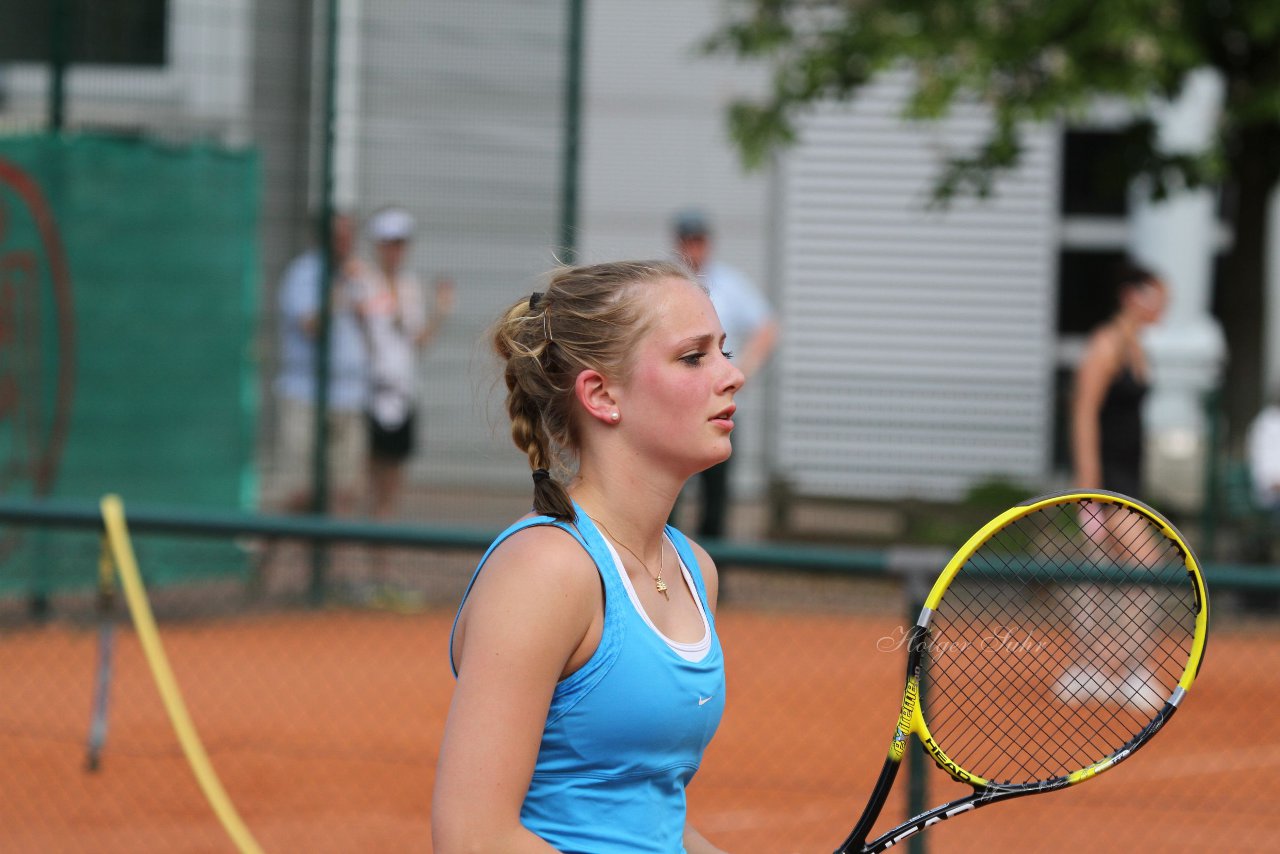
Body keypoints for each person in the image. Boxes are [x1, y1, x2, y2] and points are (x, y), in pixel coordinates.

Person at [432, 260, 739, 853]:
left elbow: (650, 822)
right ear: (601, 395)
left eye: (724, 351)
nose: (733, 375)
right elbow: (473, 839)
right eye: (694, 357)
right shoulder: (545, 571)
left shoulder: (695, 570)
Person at [1057, 260, 1169, 710]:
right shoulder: (1106, 344)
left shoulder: (1138, 347)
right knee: (1146, 565)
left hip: (1130, 479)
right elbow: (1083, 414)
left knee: (1111, 578)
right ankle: (1120, 670)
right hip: (1108, 483)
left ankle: (1101, 668)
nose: (1163, 307)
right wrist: (1090, 493)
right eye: (1157, 297)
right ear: (1132, 296)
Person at [671, 208, 778, 539]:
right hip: (676, 407)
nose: (694, 249)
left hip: (718, 406)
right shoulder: (666, 287)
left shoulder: (729, 285)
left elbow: (767, 327)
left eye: (699, 240)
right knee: (666, 492)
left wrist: (741, 369)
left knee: (716, 497)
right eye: (687, 241)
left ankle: (712, 567)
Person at [353, 206, 455, 521]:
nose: (395, 251)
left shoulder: (409, 286)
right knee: (362, 483)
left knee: (392, 485)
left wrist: (440, 311)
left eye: (400, 244)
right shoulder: (363, 282)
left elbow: (416, 341)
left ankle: (379, 563)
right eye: (388, 243)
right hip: (368, 391)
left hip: (403, 390)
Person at [272, 211, 369, 516]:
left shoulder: (357, 277)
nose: (346, 244)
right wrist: (337, 287)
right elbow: (312, 326)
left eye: (348, 236)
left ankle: (333, 562)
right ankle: (273, 556)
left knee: (343, 491)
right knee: (301, 491)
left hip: (349, 397)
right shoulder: (304, 275)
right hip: (306, 396)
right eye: (338, 238)